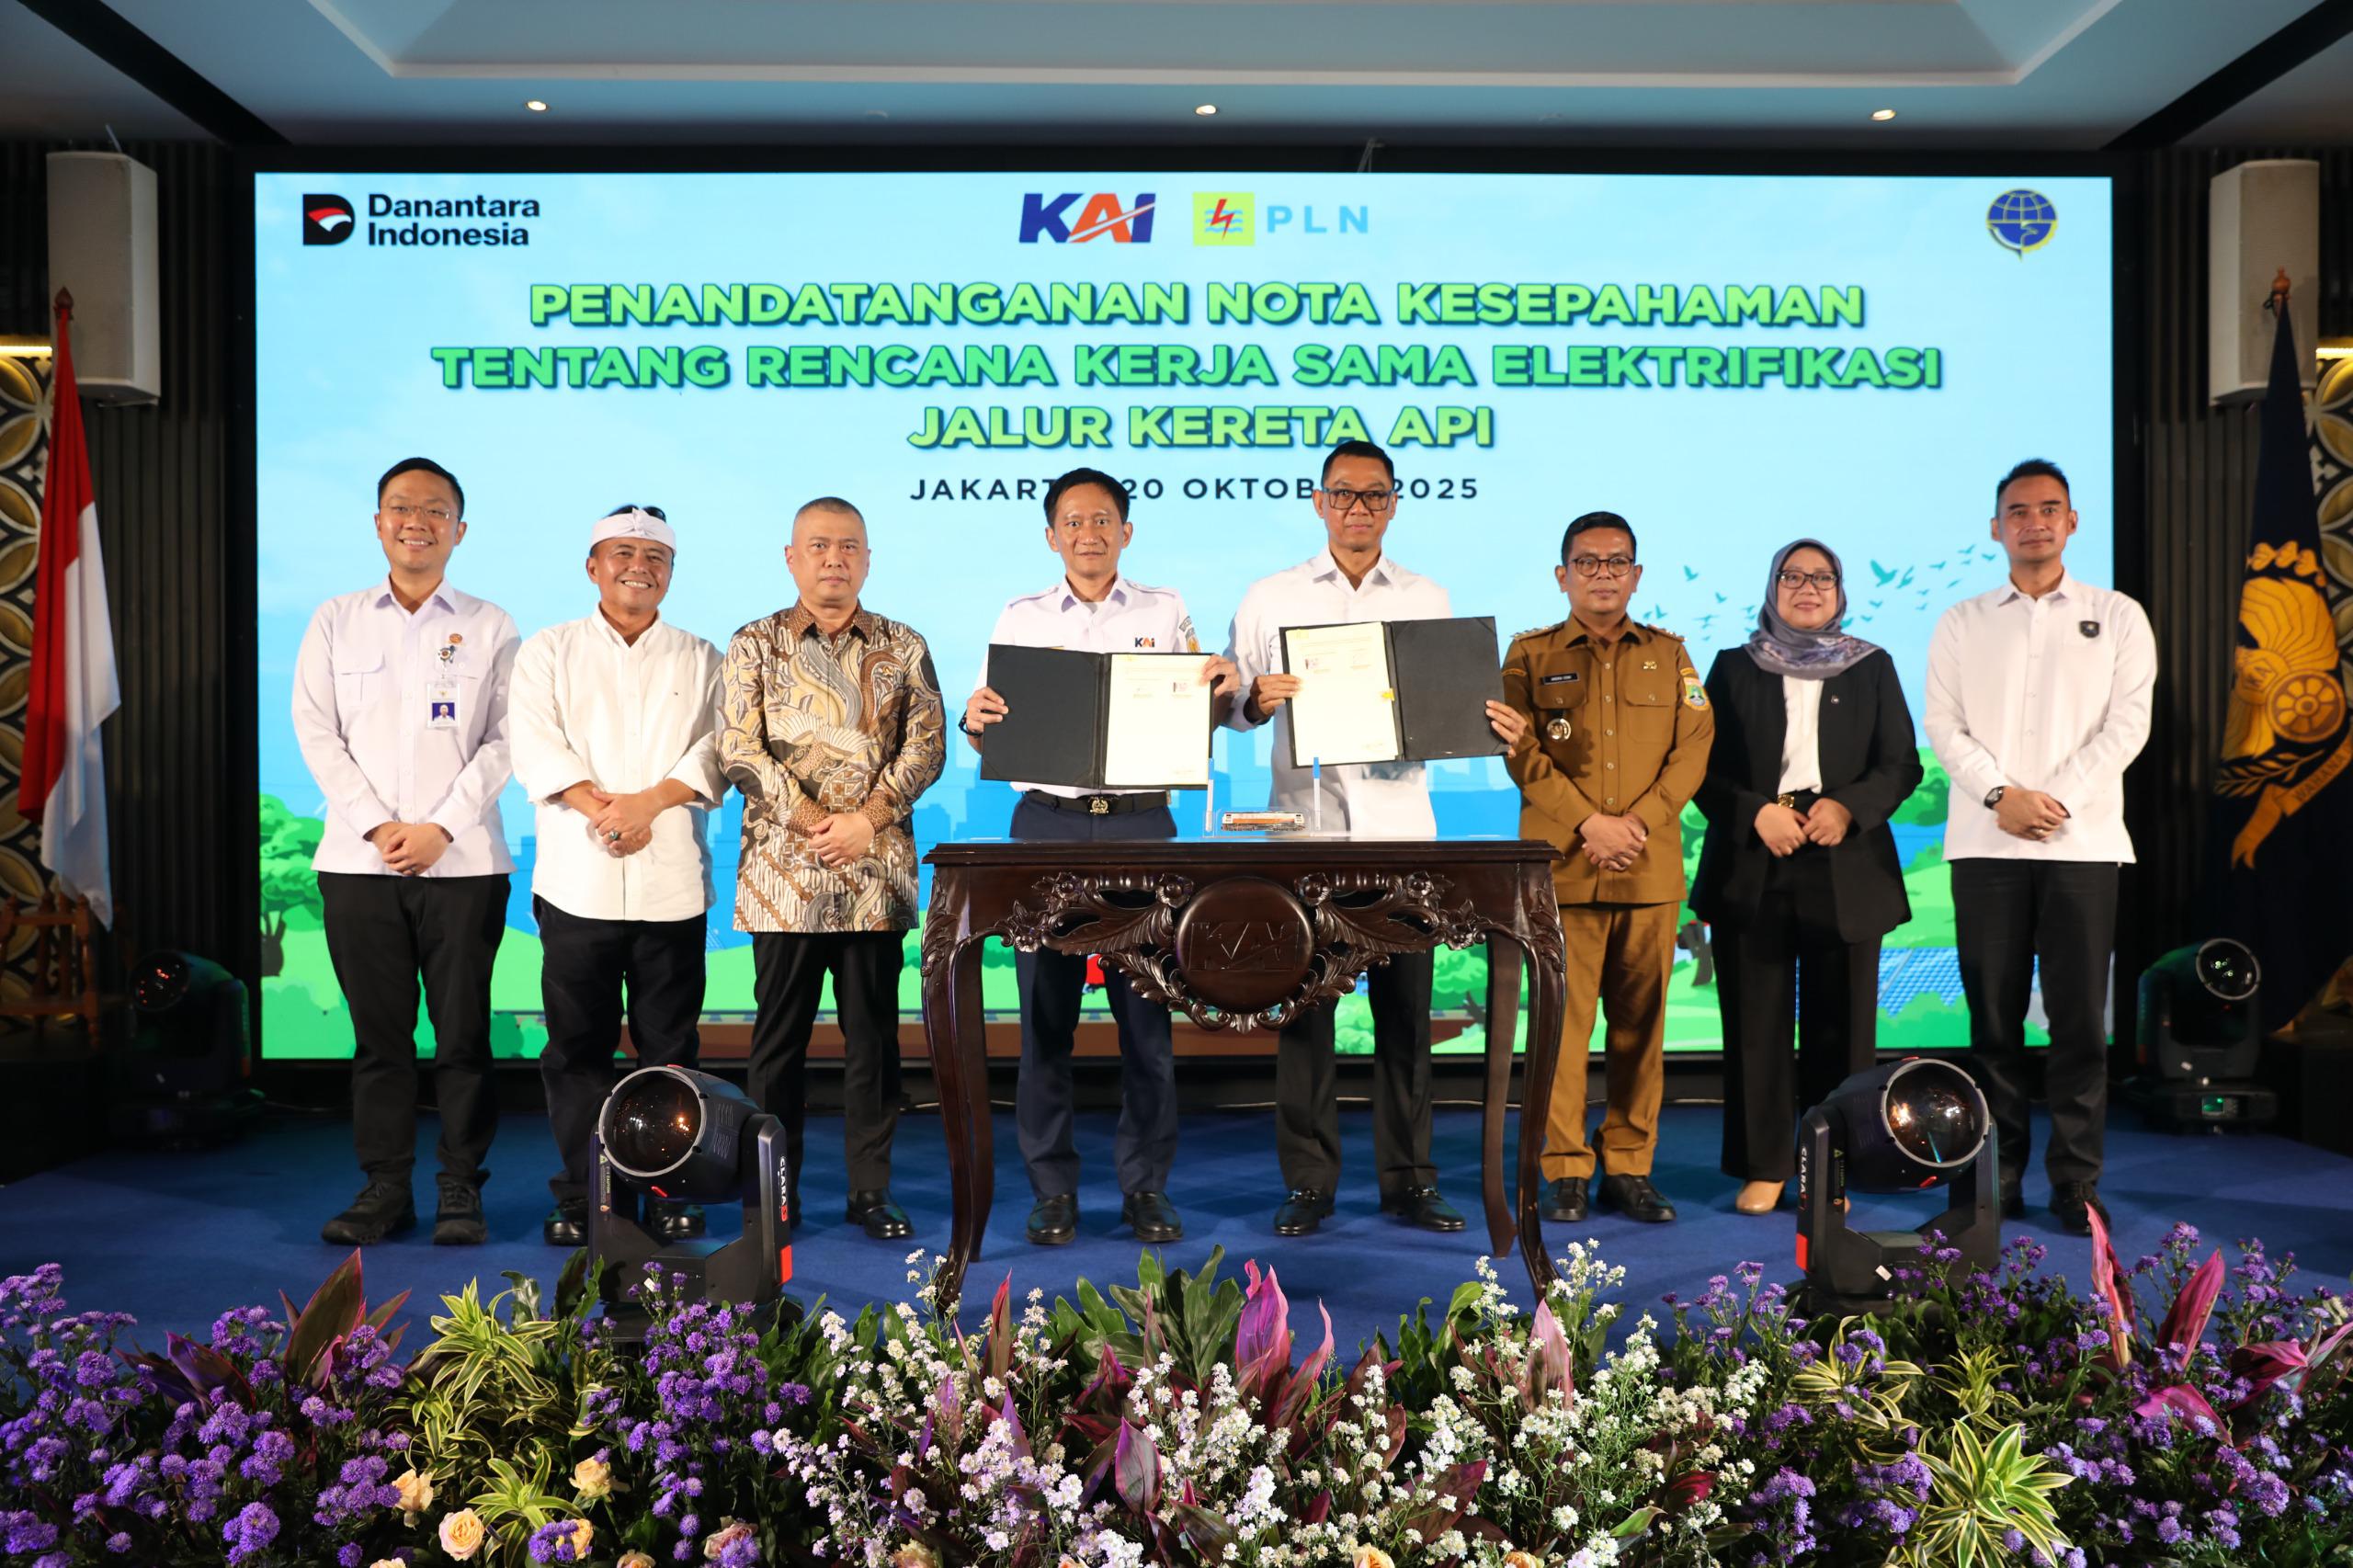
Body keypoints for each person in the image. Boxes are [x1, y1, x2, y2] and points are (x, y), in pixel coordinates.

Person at [1225, 439, 1528, 1237]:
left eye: (1374, 495)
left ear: (1394, 504)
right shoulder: (1270, 596)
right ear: (1318, 502)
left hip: (1401, 834)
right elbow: (1233, 708)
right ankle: (1309, 1183)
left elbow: (1452, 709)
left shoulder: (1428, 598)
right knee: (1305, 1016)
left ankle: (1410, 1180)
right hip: (1305, 832)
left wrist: (1485, 725)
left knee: (1405, 1015)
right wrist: (1255, 700)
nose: (1357, 508)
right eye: (1343, 493)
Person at [961, 468, 1240, 1248]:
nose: (1089, 533)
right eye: (1074, 521)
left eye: (1103, 519)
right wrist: (974, 720)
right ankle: (1052, 1190)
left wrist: (1221, 688)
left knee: (1145, 1023)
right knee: (1044, 1021)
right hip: (1044, 827)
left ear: (1127, 531)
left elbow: (1206, 713)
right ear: (1052, 536)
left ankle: (1146, 1187)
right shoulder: (1020, 616)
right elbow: (986, 730)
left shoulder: (1165, 609)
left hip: (1139, 826)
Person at [290, 456, 518, 1246]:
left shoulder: (491, 624)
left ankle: (461, 1189)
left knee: (463, 1038)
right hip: (359, 865)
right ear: (378, 523)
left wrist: (440, 828)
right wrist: (377, 826)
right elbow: (315, 732)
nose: (416, 521)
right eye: (400, 507)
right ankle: (385, 1189)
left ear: (460, 529)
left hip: (464, 865)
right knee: (379, 1041)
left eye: (434, 510)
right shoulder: (336, 618)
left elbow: (505, 739)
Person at [1926, 459, 2154, 1236]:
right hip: (1986, 844)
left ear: (2072, 522)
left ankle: (2076, 1181)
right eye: (2018, 511)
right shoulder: (1962, 621)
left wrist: (2055, 801)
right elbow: (1944, 725)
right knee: (1992, 1023)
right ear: (1996, 528)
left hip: (2082, 845)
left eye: (2049, 508)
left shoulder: (2117, 615)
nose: (2034, 522)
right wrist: (2003, 797)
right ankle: (1996, 1174)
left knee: (2079, 1024)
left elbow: (2128, 724)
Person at [719, 496, 946, 1241]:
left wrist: (865, 821)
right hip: (783, 879)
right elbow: (739, 749)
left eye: (848, 546)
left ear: (868, 560)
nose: (834, 559)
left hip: (872, 882)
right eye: (818, 546)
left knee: (873, 1043)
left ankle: (870, 1191)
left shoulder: (903, 645)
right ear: (792, 558)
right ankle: (772, 1194)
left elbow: (927, 747)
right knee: (776, 1045)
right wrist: (820, 823)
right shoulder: (754, 643)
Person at [509, 505, 724, 1247]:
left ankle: (668, 1189)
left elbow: (716, 750)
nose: (640, 567)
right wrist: (603, 810)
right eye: (623, 553)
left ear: (671, 572)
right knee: (577, 1051)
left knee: (671, 1052)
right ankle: (584, 1194)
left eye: (655, 557)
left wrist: (646, 805)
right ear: (593, 566)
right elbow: (534, 742)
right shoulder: (549, 650)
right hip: (578, 883)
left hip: (671, 885)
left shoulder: (702, 656)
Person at [1692, 540, 1923, 1215]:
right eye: (1792, 576)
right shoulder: (1734, 666)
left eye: (1822, 578)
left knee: (1841, 1032)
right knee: (1755, 1025)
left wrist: (1848, 808)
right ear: (1773, 588)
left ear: (1840, 591)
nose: (1807, 588)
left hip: (1844, 859)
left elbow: (1900, 763)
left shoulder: (1871, 665)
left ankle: (1829, 1169)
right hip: (1755, 856)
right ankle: (1763, 1166)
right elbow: (1699, 768)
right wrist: (1754, 812)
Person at [1500, 511, 1712, 1226]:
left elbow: (1693, 749)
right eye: (1587, 562)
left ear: (1636, 575)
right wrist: (1590, 824)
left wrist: (1637, 824)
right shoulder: (1527, 656)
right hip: (1564, 869)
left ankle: (1629, 1166)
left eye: (1616, 562)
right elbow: (1520, 753)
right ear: (1562, 576)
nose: (1603, 574)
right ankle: (1564, 1169)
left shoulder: (1671, 655)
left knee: (1640, 1030)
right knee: (1561, 1031)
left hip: (1647, 872)